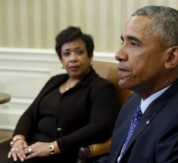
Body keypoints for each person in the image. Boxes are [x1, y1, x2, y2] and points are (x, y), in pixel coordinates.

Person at [97, 5, 178, 163]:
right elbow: (116, 158)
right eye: (123, 42)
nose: (119, 55)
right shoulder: (135, 101)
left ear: (171, 58)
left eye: (134, 44)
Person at [0, 26, 119, 163]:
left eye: (79, 52)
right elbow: (30, 114)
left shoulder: (101, 87)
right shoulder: (54, 81)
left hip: (64, 152)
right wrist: (18, 139)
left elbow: (101, 127)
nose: (73, 59)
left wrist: (53, 147)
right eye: (67, 54)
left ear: (90, 56)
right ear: (61, 60)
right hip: (32, 144)